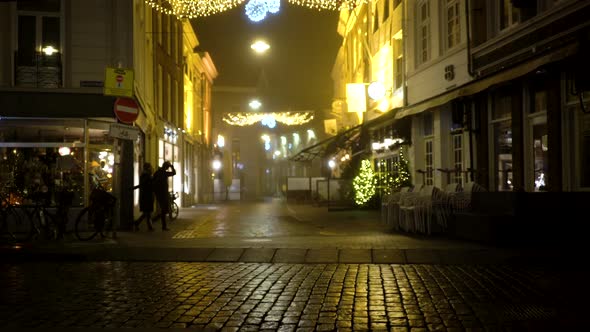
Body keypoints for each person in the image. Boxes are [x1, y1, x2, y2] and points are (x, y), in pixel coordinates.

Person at [151, 161, 176, 231]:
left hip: (159, 193)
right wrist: (172, 167)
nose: (168, 168)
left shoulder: (158, 172)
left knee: (164, 210)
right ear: (166, 166)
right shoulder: (164, 173)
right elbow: (174, 173)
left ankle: (161, 224)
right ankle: (161, 224)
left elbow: (153, 181)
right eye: (168, 167)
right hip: (162, 194)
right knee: (164, 210)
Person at [132, 162, 154, 231]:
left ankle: (148, 226)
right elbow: (143, 184)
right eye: (150, 167)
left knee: (147, 212)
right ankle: (138, 223)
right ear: (148, 168)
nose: (151, 168)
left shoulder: (145, 175)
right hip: (147, 195)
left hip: (146, 195)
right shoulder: (146, 175)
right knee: (147, 212)